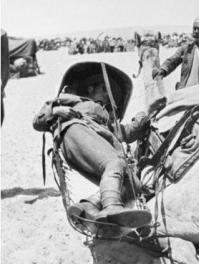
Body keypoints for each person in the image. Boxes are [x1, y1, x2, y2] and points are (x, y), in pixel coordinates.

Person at [33, 62, 152, 228]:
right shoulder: (73, 100)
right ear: (90, 89)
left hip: (96, 142)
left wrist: (142, 118)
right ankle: (111, 208)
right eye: (103, 88)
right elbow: (37, 122)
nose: (106, 94)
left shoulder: (107, 120)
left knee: (134, 185)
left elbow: (124, 134)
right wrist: (56, 111)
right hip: (76, 131)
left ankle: (90, 205)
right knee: (115, 162)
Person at [153, 16, 199, 99]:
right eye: (194, 29)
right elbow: (173, 60)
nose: (196, 32)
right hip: (187, 93)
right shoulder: (187, 48)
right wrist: (163, 70)